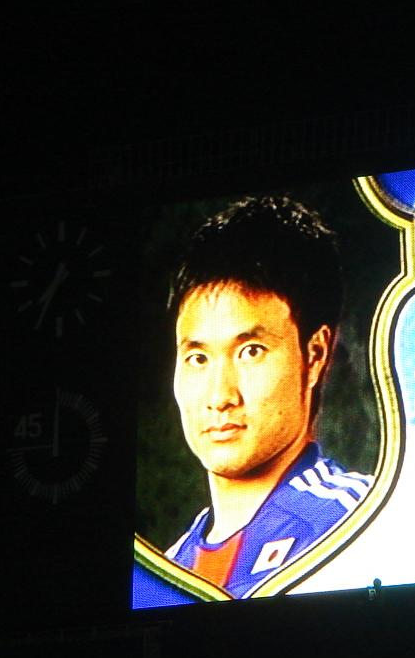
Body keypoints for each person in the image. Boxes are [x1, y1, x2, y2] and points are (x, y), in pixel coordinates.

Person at [159, 195, 372, 599]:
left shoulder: (362, 520)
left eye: (250, 352)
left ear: (315, 355)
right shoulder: (164, 572)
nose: (220, 396)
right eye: (198, 358)